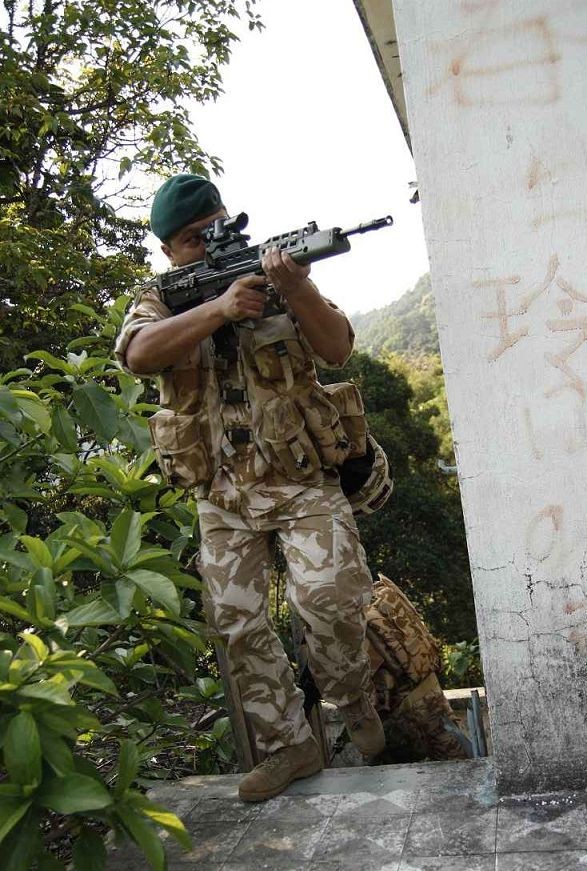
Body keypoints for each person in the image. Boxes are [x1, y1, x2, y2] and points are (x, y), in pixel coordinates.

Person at [115, 173, 385, 802]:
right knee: (235, 623)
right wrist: (219, 309)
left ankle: (354, 704)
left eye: (214, 228)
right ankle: (291, 746)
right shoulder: (160, 299)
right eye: (191, 239)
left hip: (301, 481)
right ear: (169, 251)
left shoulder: (274, 275)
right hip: (222, 495)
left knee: (328, 599)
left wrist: (297, 287)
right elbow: (138, 354)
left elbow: (337, 348)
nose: (208, 243)